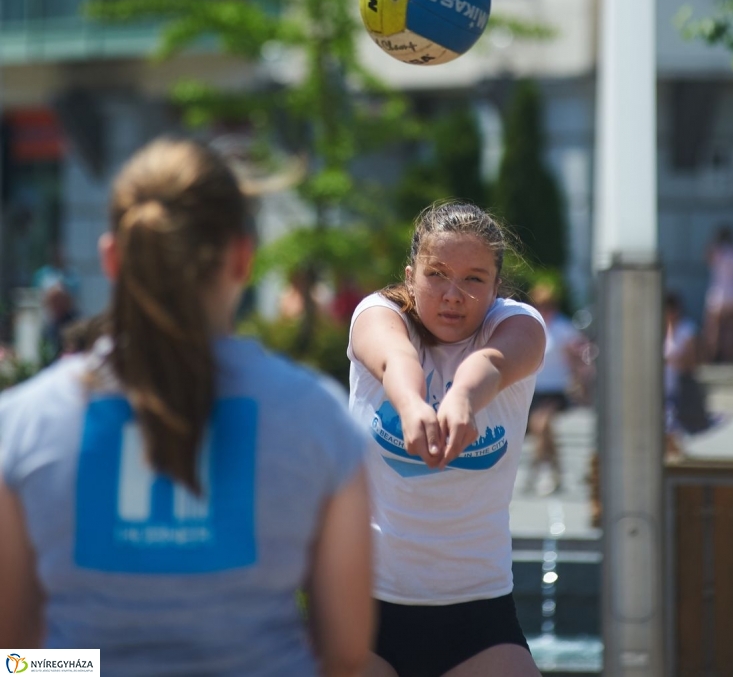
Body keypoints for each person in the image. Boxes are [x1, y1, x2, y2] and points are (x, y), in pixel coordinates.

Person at [0, 137, 372, 677]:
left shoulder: (22, 423)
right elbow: (345, 651)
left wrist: (93, 664)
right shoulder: (317, 417)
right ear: (242, 258)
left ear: (111, 258)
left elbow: (14, 655)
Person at [348, 202, 547, 677]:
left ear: (496, 288)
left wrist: (461, 399)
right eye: (436, 275)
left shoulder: (521, 326)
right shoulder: (377, 314)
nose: (453, 295)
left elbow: (491, 364)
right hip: (364, 602)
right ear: (410, 276)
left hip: (477, 611)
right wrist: (412, 405)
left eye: (474, 279)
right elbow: (396, 360)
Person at [525, 283, 587, 496]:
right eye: (540, 305)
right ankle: (556, 472)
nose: (544, 309)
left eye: (547, 305)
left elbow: (577, 357)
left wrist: (579, 382)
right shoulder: (531, 325)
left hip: (556, 389)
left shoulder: (563, 328)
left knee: (541, 425)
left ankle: (534, 472)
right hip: (536, 389)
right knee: (543, 432)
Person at [664, 291, 717, 460]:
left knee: (670, 425)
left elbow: (691, 361)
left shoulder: (687, 329)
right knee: (666, 428)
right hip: (665, 384)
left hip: (681, 386)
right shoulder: (664, 330)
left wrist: (670, 360)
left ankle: (678, 458)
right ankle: (676, 457)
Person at [703, 224, 733, 363]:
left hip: (718, 296)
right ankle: (731, 358)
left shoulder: (717, 251)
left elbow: (707, 257)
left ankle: (712, 358)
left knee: (714, 330)